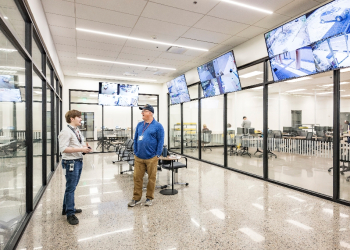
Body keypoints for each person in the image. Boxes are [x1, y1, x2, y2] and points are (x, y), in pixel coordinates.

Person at [58, 110, 92, 225]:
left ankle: (66, 208)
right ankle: (70, 213)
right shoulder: (65, 132)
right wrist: (81, 149)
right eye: (79, 117)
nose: (81, 119)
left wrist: (85, 148)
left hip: (78, 161)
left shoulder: (76, 130)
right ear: (72, 118)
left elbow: (80, 144)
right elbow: (63, 149)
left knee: (71, 187)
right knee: (71, 188)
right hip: (70, 162)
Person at [128, 104, 164, 207]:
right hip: (139, 157)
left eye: (144, 111)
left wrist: (158, 154)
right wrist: (135, 150)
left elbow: (160, 141)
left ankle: (149, 198)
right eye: (142, 111)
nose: (142, 113)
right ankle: (136, 198)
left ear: (151, 113)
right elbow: (135, 139)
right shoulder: (139, 125)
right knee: (137, 178)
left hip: (151, 157)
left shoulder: (158, 126)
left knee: (151, 179)